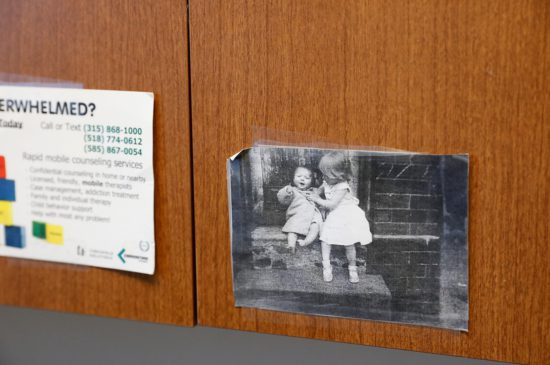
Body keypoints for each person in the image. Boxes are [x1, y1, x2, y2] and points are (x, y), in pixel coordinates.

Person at [307, 152, 372, 283]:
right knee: (325, 239)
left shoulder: (343, 187)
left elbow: (331, 204)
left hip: (346, 217)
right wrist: (312, 192)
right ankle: (326, 266)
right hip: (334, 216)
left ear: (338, 175)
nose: (323, 177)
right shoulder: (327, 181)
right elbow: (319, 191)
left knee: (349, 243)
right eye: (323, 174)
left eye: (326, 175)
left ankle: (352, 268)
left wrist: (317, 199)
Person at [277, 166, 322, 253]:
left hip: (313, 215)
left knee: (315, 226)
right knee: (292, 229)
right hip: (297, 215)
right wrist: (286, 191)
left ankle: (306, 241)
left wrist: (317, 198)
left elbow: (320, 202)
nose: (302, 179)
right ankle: (291, 246)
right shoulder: (292, 191)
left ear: (312, 181)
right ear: (293, 178)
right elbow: (282, 200)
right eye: (299, 176)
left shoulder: (314, 191)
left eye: (306, 178)